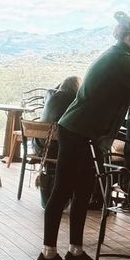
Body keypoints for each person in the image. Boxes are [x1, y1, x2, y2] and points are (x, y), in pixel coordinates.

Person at [36, 12, 130, 260]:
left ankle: (76, 253)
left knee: (84, 192)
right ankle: (48, 254)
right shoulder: (121, 59)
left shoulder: (120, 58)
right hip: (77, 131)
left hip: (83, 132)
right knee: (62, 190)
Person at [36, 75, 81, 207]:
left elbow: (52, 90)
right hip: (58, 149)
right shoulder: (75, 99)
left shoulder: (49, 94)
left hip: (40, 147)